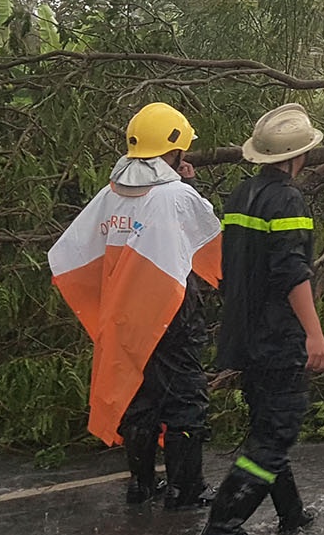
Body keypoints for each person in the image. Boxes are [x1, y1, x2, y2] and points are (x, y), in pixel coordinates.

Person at [48, 103, 223, 508]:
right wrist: (190, 188)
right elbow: (209, 241)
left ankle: (142, 485)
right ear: (175, 150)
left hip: (123, 314)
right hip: (170, 311)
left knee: (138, 394)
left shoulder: (110, 194)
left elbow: (75, 250)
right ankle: (186, 489)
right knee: (185, 397)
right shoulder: (176, 195)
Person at [201, 103, 324, 535]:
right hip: (278, 337)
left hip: (245, 333)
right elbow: (292, 271)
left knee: (266, 424)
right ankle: (224, 523)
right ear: (299, 156)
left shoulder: (241, 195)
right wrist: (314, 334)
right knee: (276, 434)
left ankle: (292, 515)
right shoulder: (288, 200)